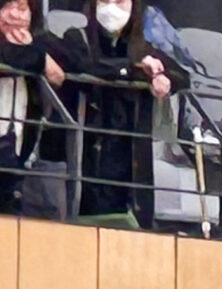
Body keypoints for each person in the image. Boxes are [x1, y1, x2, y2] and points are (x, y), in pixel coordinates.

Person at [59, 0, 181, 225]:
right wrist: (132, 69)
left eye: (120, 2)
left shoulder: (143, 49)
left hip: (131, 163)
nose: (111, 8)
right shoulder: (77, 38)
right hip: (90, 155)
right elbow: (85, 65)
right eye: (105, 1)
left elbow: (181, 75)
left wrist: (161, 76)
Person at [0, 0, 62, 212]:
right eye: (8, 7)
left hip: (15, 158)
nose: (15, 15)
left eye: (22, 8)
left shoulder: (40, 43)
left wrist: (34, 52)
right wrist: (37, 56)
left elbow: (62, 71)